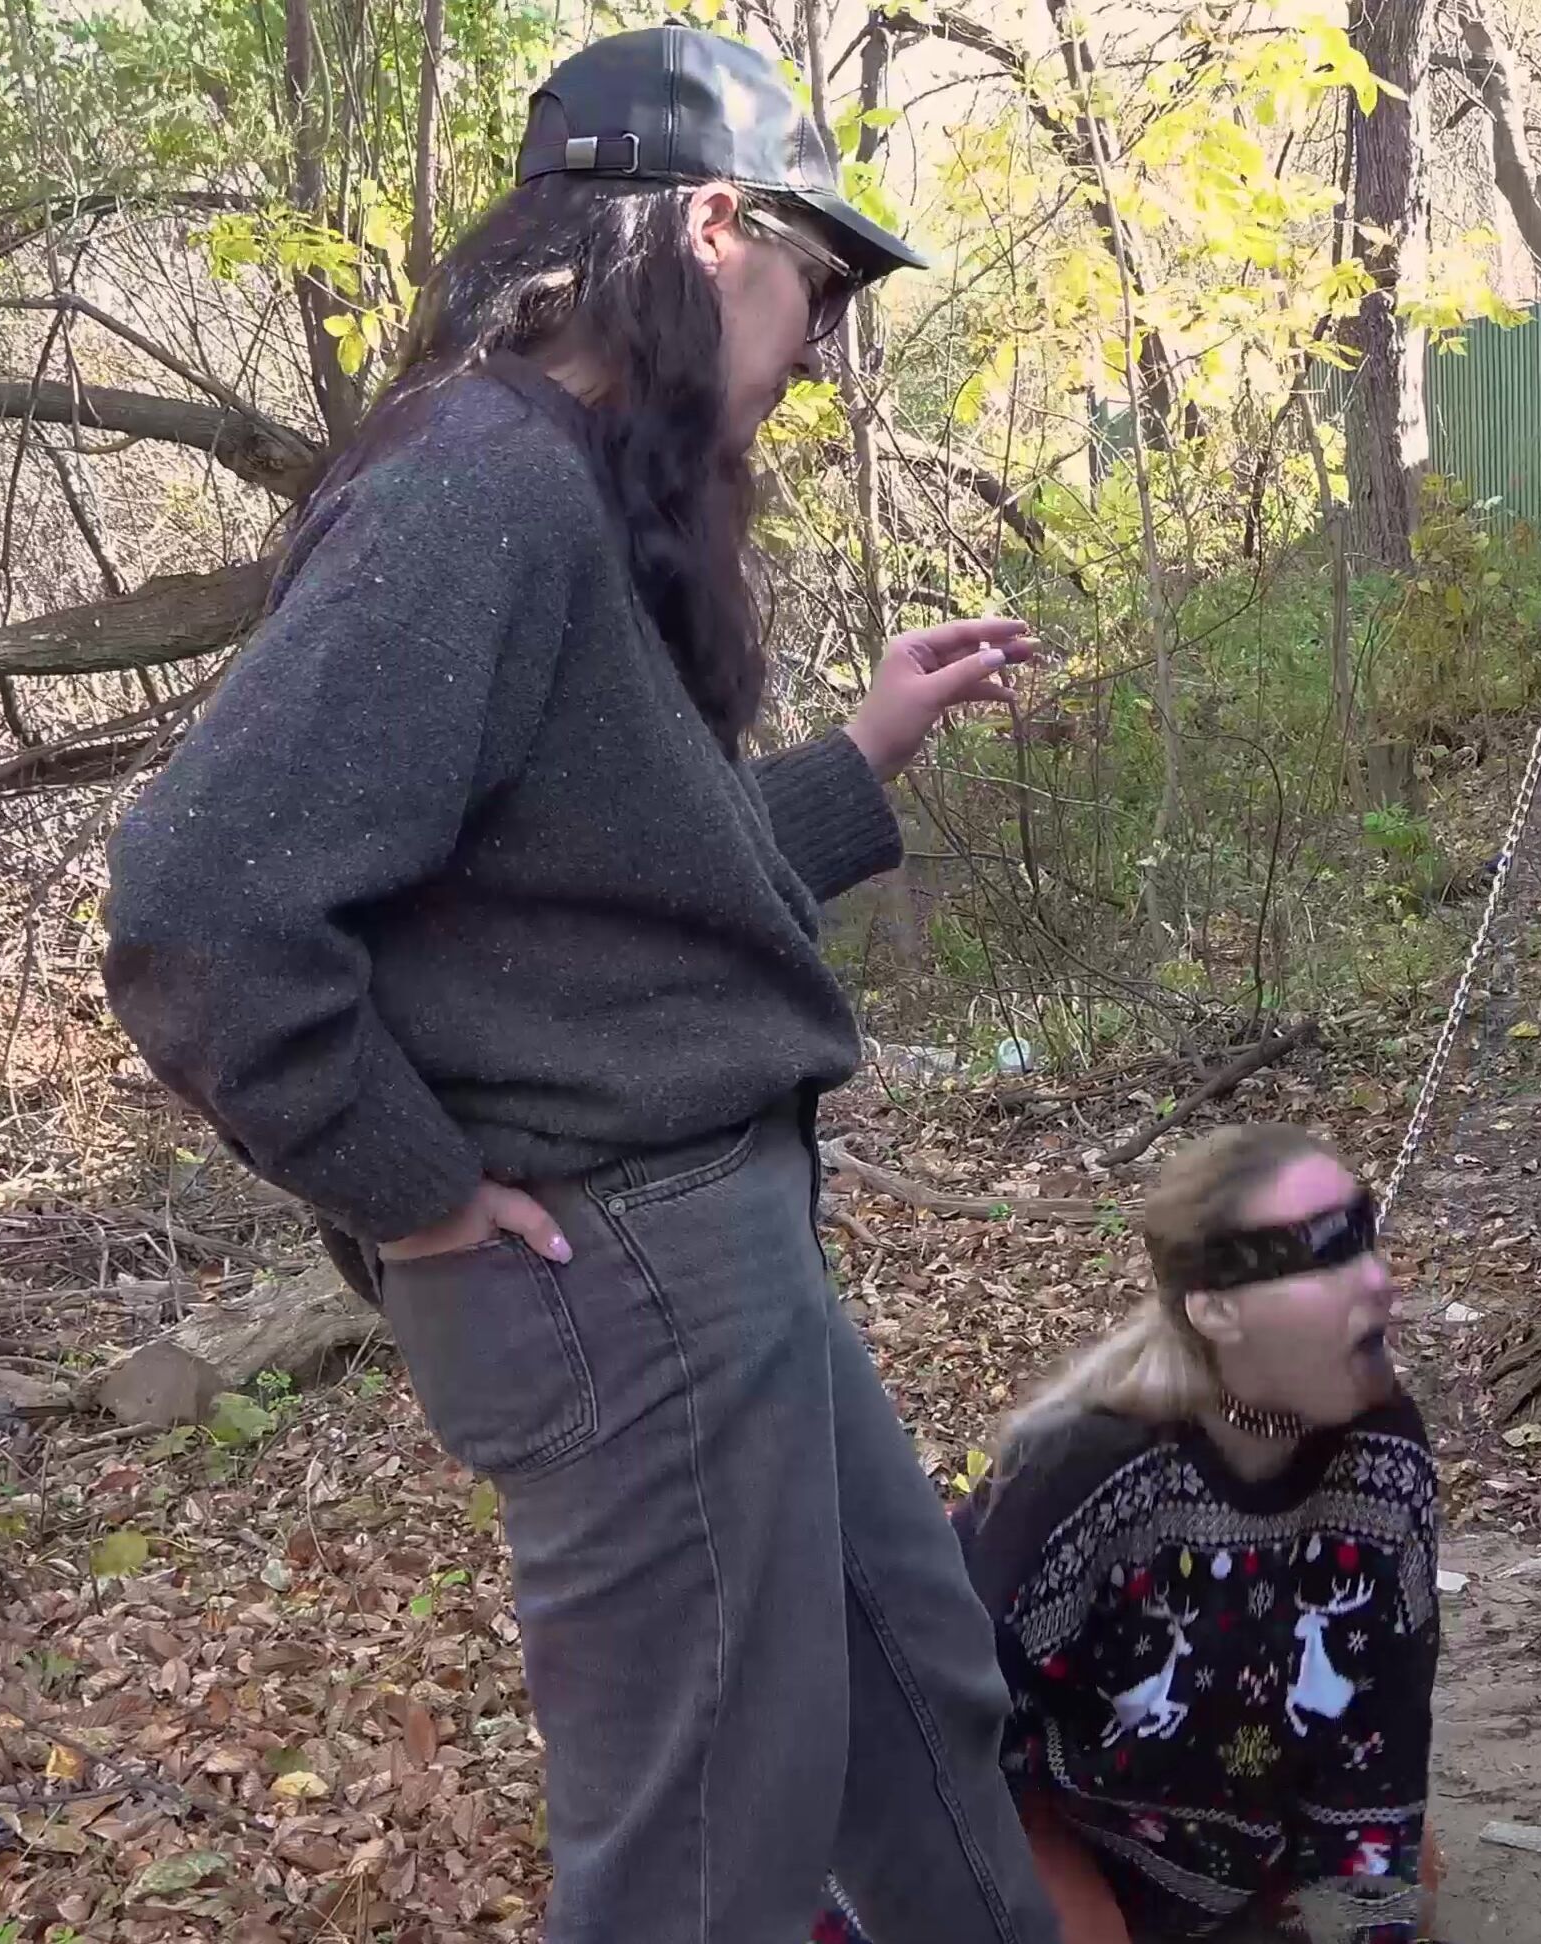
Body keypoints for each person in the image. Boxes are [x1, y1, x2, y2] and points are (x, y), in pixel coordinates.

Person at [100, 27, 1065, 1944]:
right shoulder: (478, 485)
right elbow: (200, 896)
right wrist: (413, 1185)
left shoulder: (569, 484)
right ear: (713, 226)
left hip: (713, 1235)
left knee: (909, 1692)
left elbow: (608, 921)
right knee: (707, 1851)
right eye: (819, 281)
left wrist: (858, 761)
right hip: (616, 1270)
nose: (823, 344)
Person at [813, 1125, 1441, 1944]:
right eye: (1325, 1253)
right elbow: (941, 1721)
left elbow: (1385, 1718)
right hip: (1055, 1804)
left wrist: (1369, 1914)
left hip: (1228, 1808)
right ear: (1216, 1310)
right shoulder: (1087, 1465)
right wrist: (1039, 1889)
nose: (1381, 1281)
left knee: (1405, 1883)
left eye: (1368, 1233)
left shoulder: (1386, 1445)